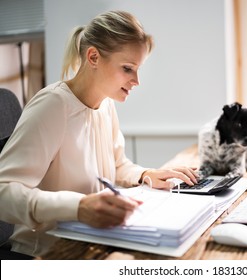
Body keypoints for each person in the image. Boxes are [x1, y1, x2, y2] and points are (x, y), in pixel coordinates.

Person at [0, 10, 198, 257]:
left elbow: (116, 165)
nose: (136, 80)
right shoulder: (52, 106)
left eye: (138, 69)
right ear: (93, 56)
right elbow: (4, 192)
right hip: (46, 252)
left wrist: (145, 174)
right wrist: (79, 207)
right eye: (127, 68)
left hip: (91, 241)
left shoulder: (105, 104)